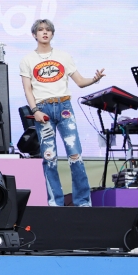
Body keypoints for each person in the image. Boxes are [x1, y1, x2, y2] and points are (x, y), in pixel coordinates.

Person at [19, 19, 105, 207]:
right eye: (40, 30)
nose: (44, 32)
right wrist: (35, 111)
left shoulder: (64, 56)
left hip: (64, 106)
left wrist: (95, 79)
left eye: (48, 30)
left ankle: (83, 202)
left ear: (52, 34)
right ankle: (55, 203)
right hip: (43, 109)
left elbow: (80, 82)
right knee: (49, 158)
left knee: (75, 155)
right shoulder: (27, 60)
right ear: (34, 34)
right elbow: (27, 89)